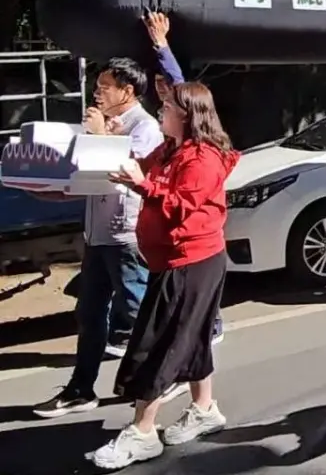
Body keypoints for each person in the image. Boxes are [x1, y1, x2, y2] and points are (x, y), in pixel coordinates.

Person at [89, 82, 239, 469]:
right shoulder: (172, 148)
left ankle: (142, 432)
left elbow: (180, 205)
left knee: (158, 344)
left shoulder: (203, 157)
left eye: (167, 107)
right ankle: (204, 409)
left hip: (191, 261)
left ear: (187, 116)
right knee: (193, 337)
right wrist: (113, 148)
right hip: (173, 260)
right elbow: (143, 165)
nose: (161, 112)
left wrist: (140, 186)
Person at [32, 58, 163, 419]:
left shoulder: (145, 127)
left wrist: (101, 136)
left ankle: (163, 377)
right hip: (97, 234)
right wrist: (53, 189)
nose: (97, 92)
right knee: (90, 314)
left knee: (137, 312)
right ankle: (80, 389)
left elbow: (126, 172)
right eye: (97, 85)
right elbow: (87, 175)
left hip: (125, 234)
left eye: (105, 86)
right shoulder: (104, 123)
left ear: (127, 91)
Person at [144, 10, 224, 344]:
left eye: (166, 88)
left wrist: (161, 44)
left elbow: (179, 204)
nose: (163, 92)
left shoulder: (199, 147)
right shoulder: (169, 138)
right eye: (159, 88)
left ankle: (209, 325)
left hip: (191, 250)